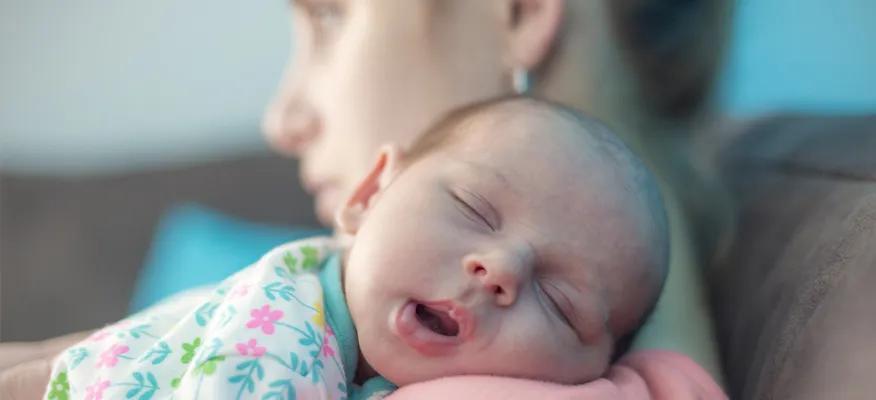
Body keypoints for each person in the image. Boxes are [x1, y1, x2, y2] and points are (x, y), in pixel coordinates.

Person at [1, 1, 730, 398]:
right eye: (475, 210)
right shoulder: (319, 306)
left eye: (328, 17)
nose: (282, 118)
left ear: (515, 11)